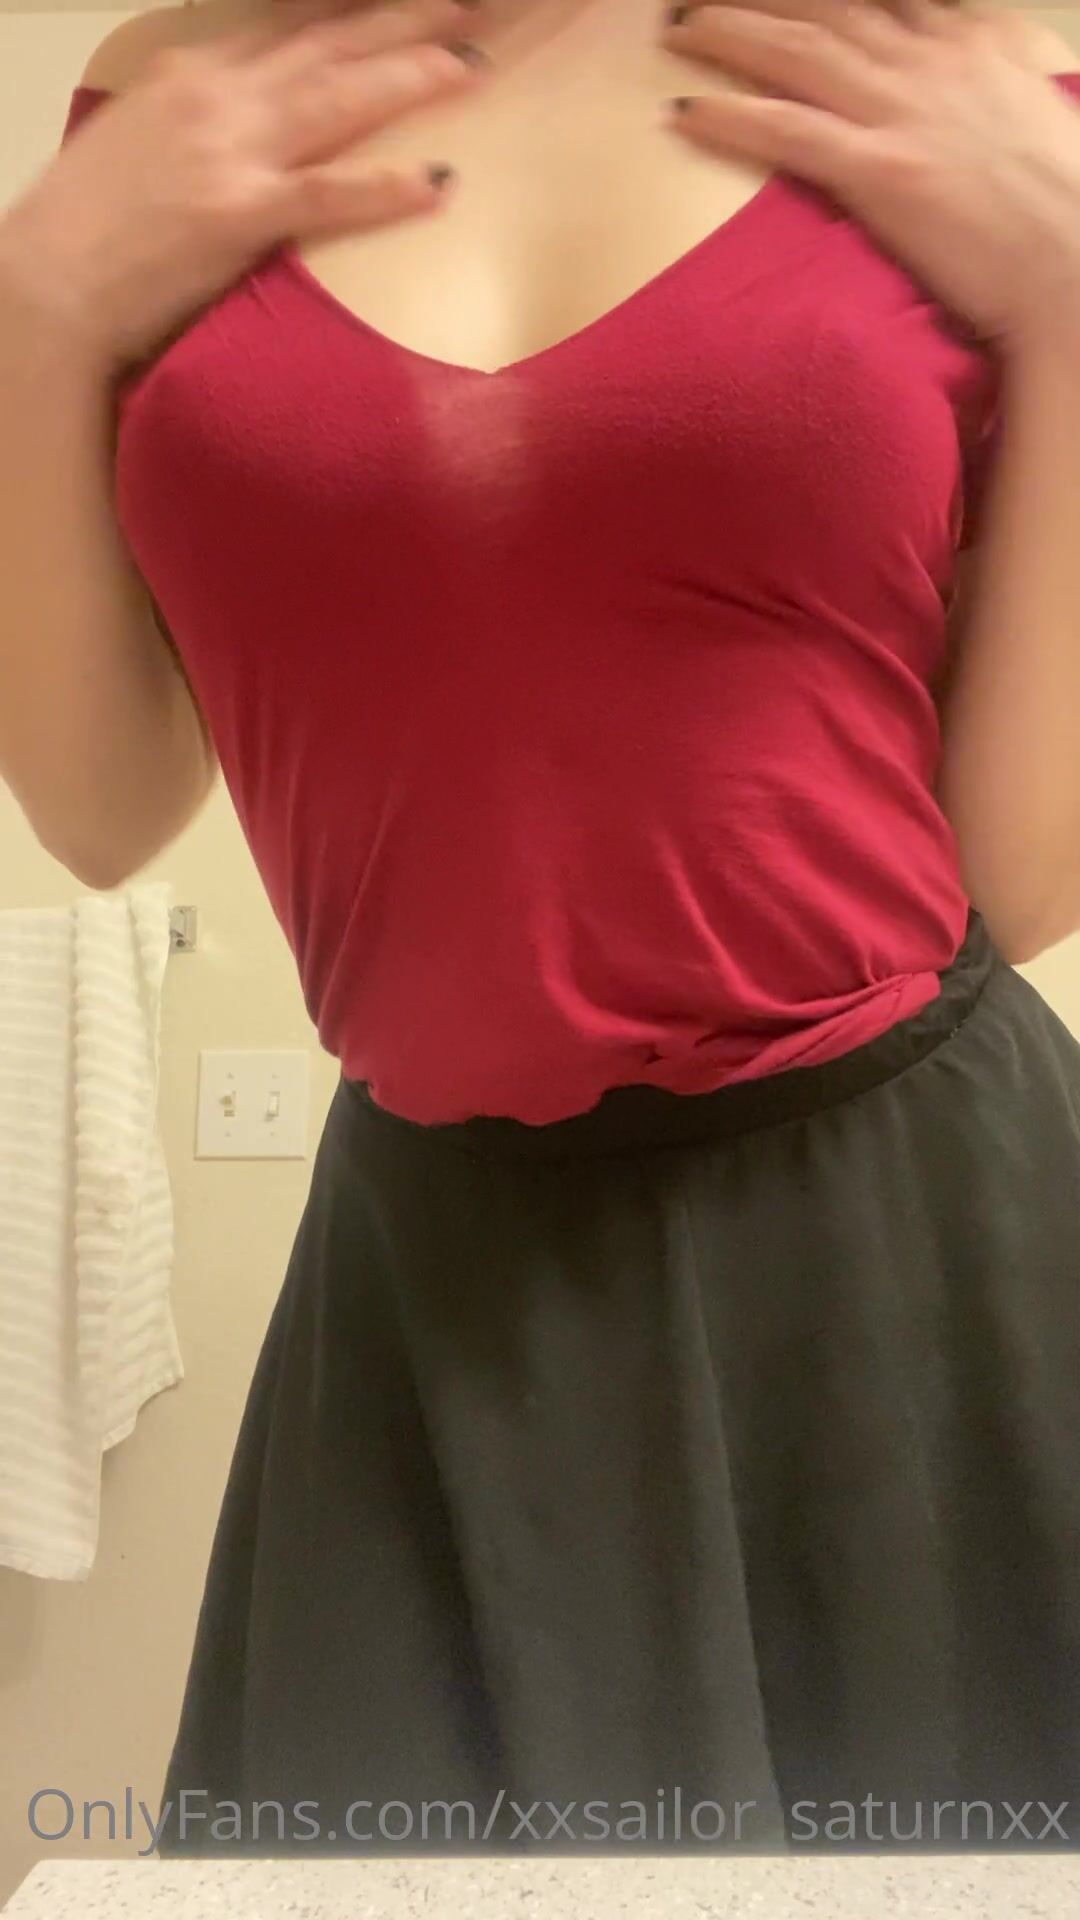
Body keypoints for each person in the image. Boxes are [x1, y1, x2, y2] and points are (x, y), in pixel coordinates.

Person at [3, 0, 1080, 1858]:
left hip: (908, 1263)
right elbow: (102, 806)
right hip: (431, 1292)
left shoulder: (954, 79)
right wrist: (29, 322)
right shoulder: (168, 101)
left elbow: (1026, 874)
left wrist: (1074, 306)